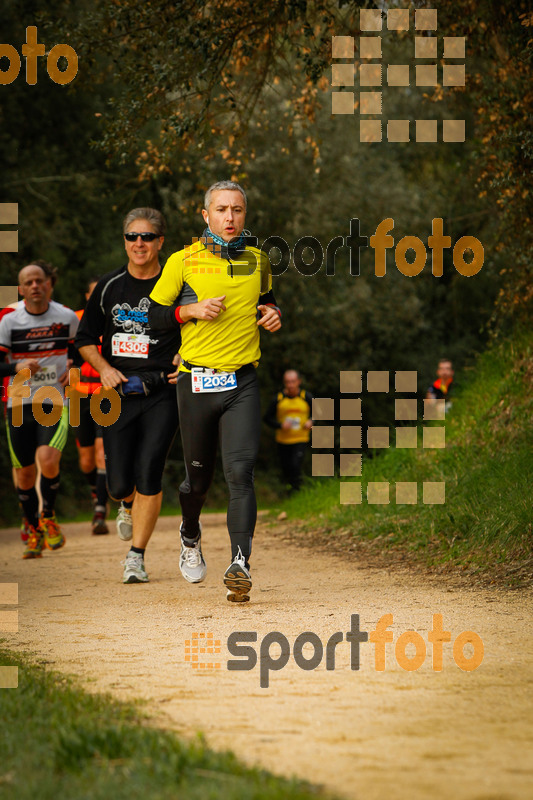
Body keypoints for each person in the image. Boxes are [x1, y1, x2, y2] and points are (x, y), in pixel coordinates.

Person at [148, 180, 281, 602]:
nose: (230, 217)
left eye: (237, 210)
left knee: (241, 474)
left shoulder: (258, 260)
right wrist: (190, 310)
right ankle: (190, 534)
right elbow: (152, 316)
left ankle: (240, 563)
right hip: (197, 382)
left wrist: (275, 313)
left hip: (242, 381)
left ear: (245, 215)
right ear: (205, 215)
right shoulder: (182, 261)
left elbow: (269, 300)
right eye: (221, 210)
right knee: (198, 481)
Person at [75, 208, 180, 584]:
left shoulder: (178, 282)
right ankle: (124, 503)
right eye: (132, 236)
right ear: (124, 241)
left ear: (160, 241)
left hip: (162, 390)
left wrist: (186, 356)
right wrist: (103, 368)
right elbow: (85, 339)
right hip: (117, 393)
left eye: (147, 237)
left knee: (150, 468)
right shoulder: (108, 286)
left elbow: (201, 326)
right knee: (119, 483)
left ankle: (136, 556)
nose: (139, 243)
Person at [0, 261, 79, 558]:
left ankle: (48, 514)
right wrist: (15, 366)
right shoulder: (9, 321)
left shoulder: (67, 317)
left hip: (53, 399)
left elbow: (82, 352)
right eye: (28, 283)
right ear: (21, 289)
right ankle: (32, 528)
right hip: (19, 401)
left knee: (47, 459)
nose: (35, 286)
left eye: (39, 281)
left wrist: (75, 369)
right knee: (23, 474)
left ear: (49, 284)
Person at [73, 278, 109, 535]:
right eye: (93, 292)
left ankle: (100, 510)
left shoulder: (118, 319)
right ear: (87, 296)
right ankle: (96, 489)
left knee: (100, 453)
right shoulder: (74, 319)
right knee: (85, 460)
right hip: (77, 393)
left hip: (107, 392)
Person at [264, 369, 313, 492]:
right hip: (283, 440)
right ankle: (290, 491)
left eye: (293, 381)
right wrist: (280, 425)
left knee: (296, 465)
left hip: (301, 439)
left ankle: (297, 491)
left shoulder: (306, 397)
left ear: (299, 382)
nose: (290, 385)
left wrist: (311, 421)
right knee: (286, 468)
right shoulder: (278, 399)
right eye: (287, 382)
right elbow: (266, 418)